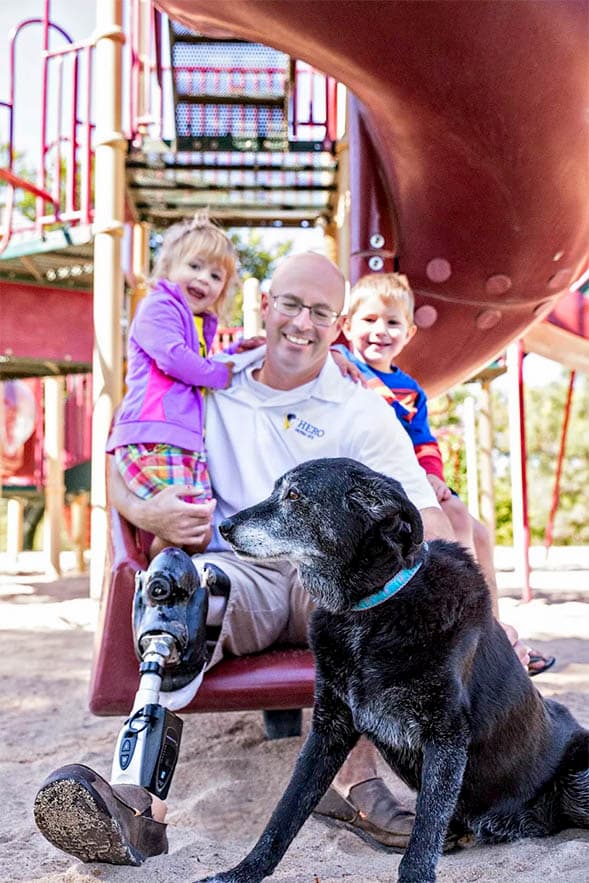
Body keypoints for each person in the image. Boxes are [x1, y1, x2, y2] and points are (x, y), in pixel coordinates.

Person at [33, 252, 531, 867]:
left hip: (330, 576)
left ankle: (356, 783)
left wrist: (479, 619)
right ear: (265, 307)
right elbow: (120, 459)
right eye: (291, 304)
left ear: (339, 323)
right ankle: (136, 803)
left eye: (321, 312)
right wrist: (152, 513)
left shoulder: (361, 409)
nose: (303, 322)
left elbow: (422, 519)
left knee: (366, 602)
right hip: (237, 568)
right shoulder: (210, 383)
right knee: (176, 594)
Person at [332, 271, 555, 676]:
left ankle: (493, 631)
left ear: (409, 333)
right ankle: (469, 632)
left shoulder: (410, 390)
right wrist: (334, 354)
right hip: (372, 485)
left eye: (392, 322)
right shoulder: (340, 366)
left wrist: (434, 476)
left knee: (479, 532)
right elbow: (311, 360)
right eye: (368, 320)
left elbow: (424, 443)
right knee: (453, 524)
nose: (380, 331)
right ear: (346, 326)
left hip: (411, 479)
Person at [105, 213, 237, 559]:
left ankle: (164, 577)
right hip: (155, 436)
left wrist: (239, 353)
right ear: (168, 267)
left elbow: (204, 360)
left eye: (215, 275)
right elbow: (174, 359)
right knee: (187, 525)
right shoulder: (158, 306)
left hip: (179, 440)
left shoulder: (196, 323)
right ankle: (157, 582)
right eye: (194, 266)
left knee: (198, 532)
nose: (202, 279)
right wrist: (222, 373)